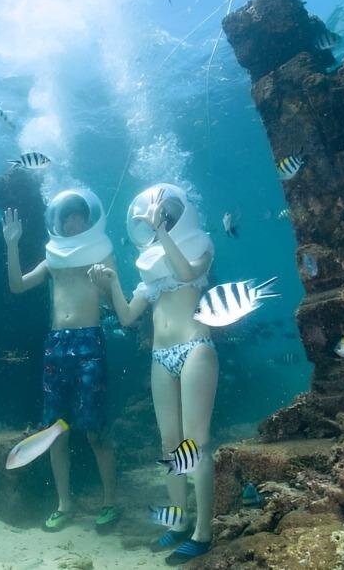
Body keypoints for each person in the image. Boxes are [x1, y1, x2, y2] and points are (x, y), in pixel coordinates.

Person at [89, 184, 218, 565]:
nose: (158, 222)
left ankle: (203, 532)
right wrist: (111, 284)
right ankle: (179, 522)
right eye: (156, 220)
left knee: (196, 443)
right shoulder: (151, 270)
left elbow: (187, 272)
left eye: (165, 218)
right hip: (161, 356)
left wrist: (161, 232)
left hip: (196, 348)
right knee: (169, 445)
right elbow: (128, 316)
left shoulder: (201, 247)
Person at [3, 188, 120, 533]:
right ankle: (63, 505)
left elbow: (115, 302)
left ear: (88, 220)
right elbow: (17, 285)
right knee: (56, 431)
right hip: (56, 343)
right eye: (68, 218)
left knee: (96, 431)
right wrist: (12, 244)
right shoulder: (52, 257)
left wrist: (104, 283)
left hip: (89, 341)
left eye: (79, 217)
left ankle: (110, 502)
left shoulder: (102, 253)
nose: (73, 223)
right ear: (59, 221)